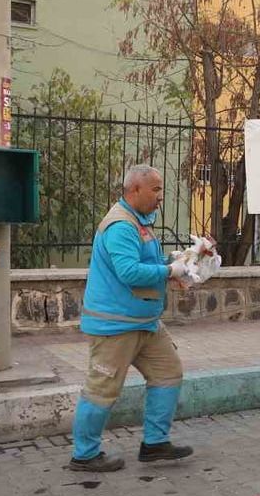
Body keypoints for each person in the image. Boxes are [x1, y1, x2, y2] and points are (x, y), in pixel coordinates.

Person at [68, 164, 196, 472]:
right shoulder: (121, 225)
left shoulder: (139, 222)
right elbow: (128, 272)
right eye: (155, 189)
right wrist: (168, 272)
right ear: (134, 190)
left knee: (168, 373)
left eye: (160, 189)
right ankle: (84, 455)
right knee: (102, 390)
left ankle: (154, 444)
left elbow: (146, 262)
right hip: (116, 326)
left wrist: (181, 260)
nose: (160, 196)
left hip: (144, 323)